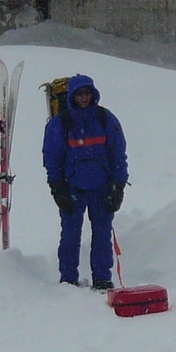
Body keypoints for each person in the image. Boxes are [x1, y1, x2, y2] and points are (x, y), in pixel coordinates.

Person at [43, 73, 128, 289]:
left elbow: (118, 154)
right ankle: (68, 279)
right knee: (70, 235)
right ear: (72, 96)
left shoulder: (106, 119)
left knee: (101, 235)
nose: (84, 98)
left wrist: (118, 187)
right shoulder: (60, 124)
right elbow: (51, 158)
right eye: (79, 94)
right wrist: (57, 188)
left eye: (87, 93)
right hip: (73, 188)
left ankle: (102, 278)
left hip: (102, 188)